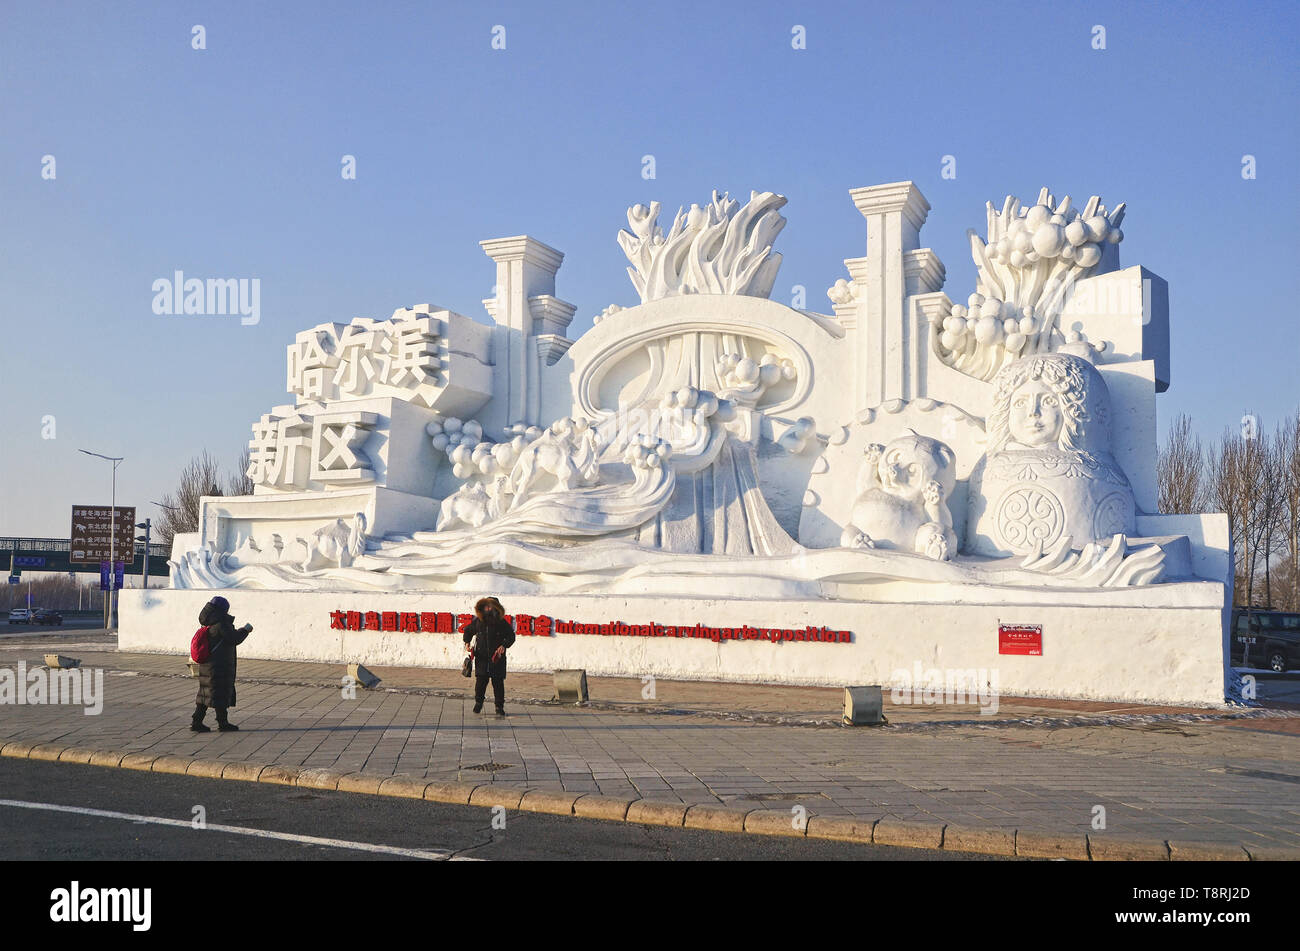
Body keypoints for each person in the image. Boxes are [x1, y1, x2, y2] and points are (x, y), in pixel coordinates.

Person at [192, 595, 253, 733]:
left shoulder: (209, 622)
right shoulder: (221, 624)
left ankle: (197, 721)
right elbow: (233, 638)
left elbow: (227, 637)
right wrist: (245, 630)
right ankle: (222, 723)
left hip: (209, 665)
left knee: (206, 694)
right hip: (219, 665)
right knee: (218, 694)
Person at [462, 596, 515, 715]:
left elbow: (511, 636)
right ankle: (478, 703)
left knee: (498, 684)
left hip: (497, 658)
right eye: (486, 606)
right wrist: (467, 642)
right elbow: (468, 631)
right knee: (480, 682)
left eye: (491, 606)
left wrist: (504, 645)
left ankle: (499, 707)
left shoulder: (501, 622)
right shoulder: (479, 621)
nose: (488, 608)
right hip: (481, 658)